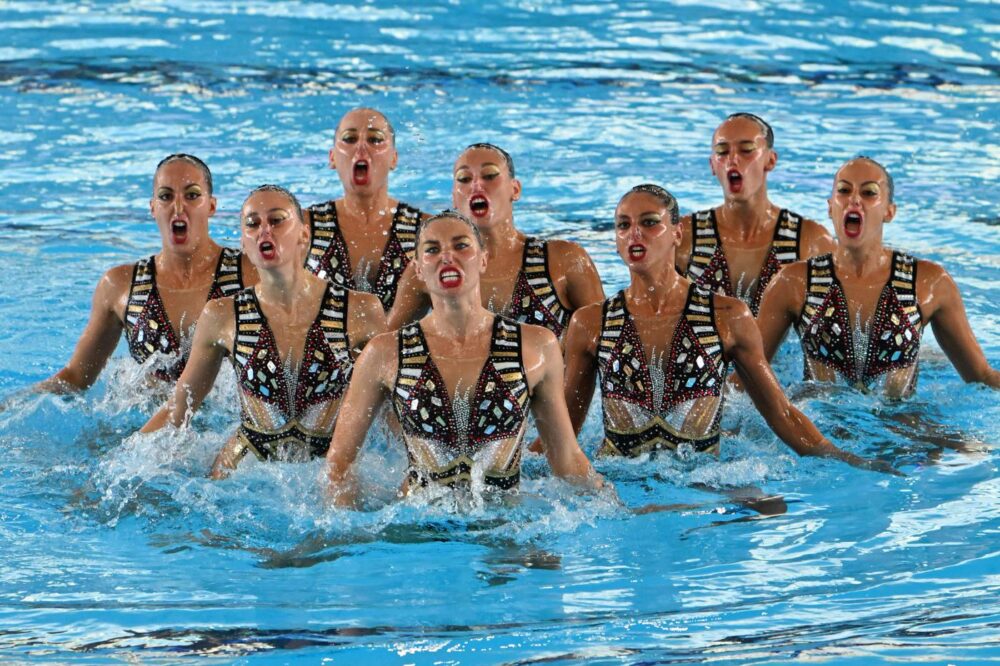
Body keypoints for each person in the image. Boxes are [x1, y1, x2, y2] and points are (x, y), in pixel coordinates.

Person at [559, 184, 881, 468]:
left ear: (677, 234)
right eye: (623, 226)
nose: (635, 234)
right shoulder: (590, 324)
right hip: (619, 482)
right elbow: (564, 432)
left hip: (703, 481)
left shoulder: (727, 316)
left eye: (650, 223)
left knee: (770, 507)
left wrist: (847, 460)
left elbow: (781, 414)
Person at [325, 211, 602, 506]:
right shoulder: (383, 353)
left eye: (461, 246)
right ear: (417, 269)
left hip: (505, 525)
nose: (447, 257)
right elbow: (340, 462)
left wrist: (614, 507)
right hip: (415, 529)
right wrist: (348, 528)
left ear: (483, 259)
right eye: (432, 249)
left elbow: (566, 459)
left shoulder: (535, 347)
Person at [140, 185, 386, 477]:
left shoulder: (360, 311)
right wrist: (122, 457)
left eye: (277, 220)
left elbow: (392, 408)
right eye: (253, 224)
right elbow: (181, 405)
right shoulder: (223, 315)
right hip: (243, 469)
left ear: (304, 235)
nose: (264, 231)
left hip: (328, 471)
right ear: (245, 242)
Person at [756, 157, 1000, 397]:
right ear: (831, 207)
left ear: (889, 211)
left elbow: (981, 376)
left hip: (901, 428)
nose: (854, 199)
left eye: (869, 192)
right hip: (817, 427)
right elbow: (751, 373)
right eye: (844, 190)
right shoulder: (793, 282)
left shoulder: (930, 283)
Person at [37, 154, 258, 392]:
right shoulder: (121, 286)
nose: (178, 207)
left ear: (211, 206)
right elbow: (76, 377)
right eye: (166, 196)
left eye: (192, 195)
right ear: (153, 208)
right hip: (147, 425)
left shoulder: (250, 274)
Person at [387, 143, 604, 338]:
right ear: (454, 198)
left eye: (490, 175)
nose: (476, 186)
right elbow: (383, 350)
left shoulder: (564, 261)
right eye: (464, 179)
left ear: (515, 189)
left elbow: (606, 341)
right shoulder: (428, 270)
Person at [676, 113, 835, 316]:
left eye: (747, 150)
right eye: (722, 152)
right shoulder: (683, 237)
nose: (733, 159)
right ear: (712, 165)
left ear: (770, 160)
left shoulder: (811, 241)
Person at [304, 107, 427, 311]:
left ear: (394, 158)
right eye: (350, 139)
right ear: (332, 157)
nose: (361, 148)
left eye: (375, 140)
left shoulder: (426, 231)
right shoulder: (302, 228)